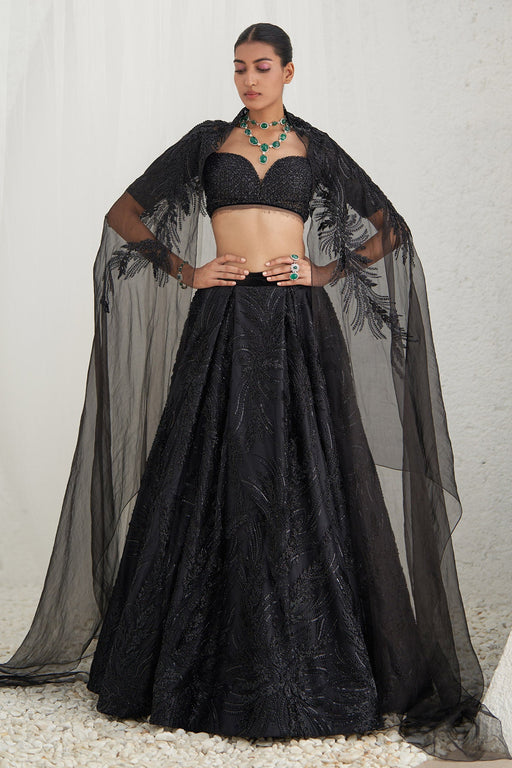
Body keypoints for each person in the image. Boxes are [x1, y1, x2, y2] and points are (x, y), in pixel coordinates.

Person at [0, 22, 509, 763]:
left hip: (299, 326)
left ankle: (319, 656)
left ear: (288, 72)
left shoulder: (316, 147)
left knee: (310, 478)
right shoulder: (208, 142)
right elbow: (122, 214)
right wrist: (189, 271)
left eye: (262, 67)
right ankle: (196, 662)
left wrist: (324, 272)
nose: (248, 79)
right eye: (238, 67)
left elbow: (389, 227)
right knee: (211, 472)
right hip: (224, 322)